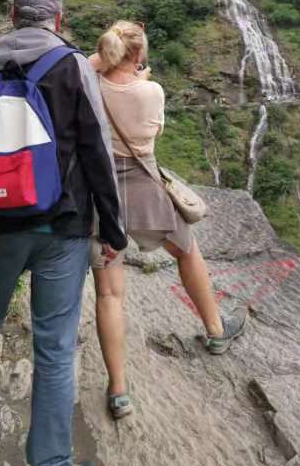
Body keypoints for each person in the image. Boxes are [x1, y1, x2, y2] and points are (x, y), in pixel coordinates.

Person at [0, 0, 127, 466]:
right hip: (62, 229)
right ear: (58, 19)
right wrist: (113, 231)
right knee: (55, 347)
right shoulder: (72, 65)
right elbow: (97, 152)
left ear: (12, 15)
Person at [89, 21, 247, 419]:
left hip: (100, 196)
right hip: (144, 189)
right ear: (139, 55)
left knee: (109, 294)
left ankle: (119, 391)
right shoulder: (151, 91)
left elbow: (89, 66)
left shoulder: (89, 82)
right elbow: (152, 133)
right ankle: (216, 330)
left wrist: (106, 62)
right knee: (186, 251)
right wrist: (139, 76)